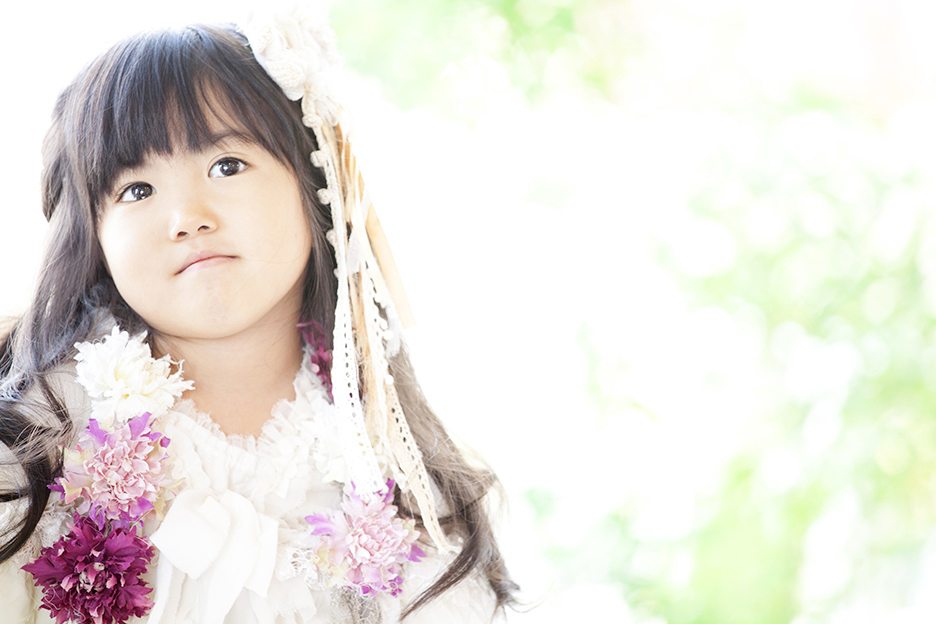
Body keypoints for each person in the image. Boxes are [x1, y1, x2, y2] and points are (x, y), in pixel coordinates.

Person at [0, 7, 517, 624]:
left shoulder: (393, 464)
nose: (187, 218)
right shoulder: (37, 448)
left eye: (227, 166)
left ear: (315, 184)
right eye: (137, 190)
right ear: (93, 236)